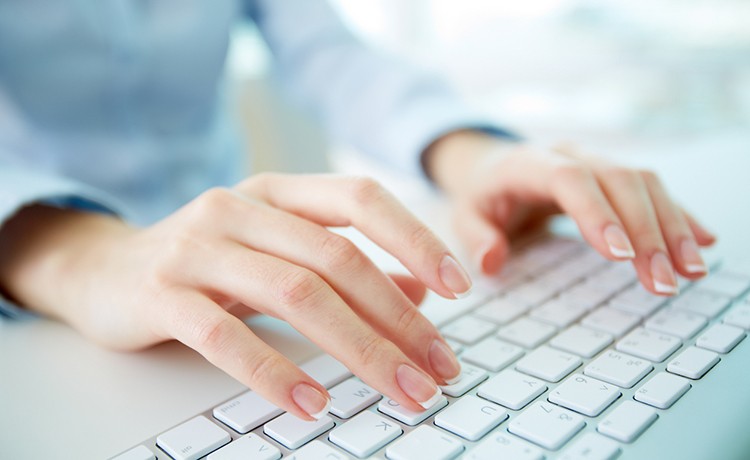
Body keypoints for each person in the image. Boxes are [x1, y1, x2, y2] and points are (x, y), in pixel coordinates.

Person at [0, 0, 715, 422]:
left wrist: (472, 156)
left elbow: (327, 54)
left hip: (241, 280)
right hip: (41, 309)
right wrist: (67, 251)